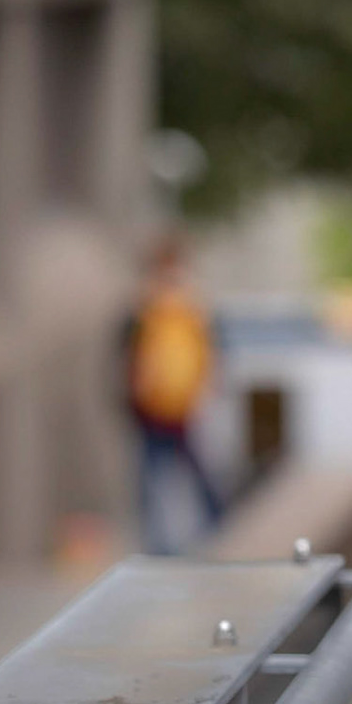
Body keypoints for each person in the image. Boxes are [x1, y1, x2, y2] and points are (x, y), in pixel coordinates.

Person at [120, 235, 222, 554]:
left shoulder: (190, 309)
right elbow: (128, 354)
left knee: (188, 470)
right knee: (154, 475)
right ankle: (160, 541)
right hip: (152, 406)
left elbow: (207, 350)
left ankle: (214, 523)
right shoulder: (144, 311)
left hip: (181, 405)